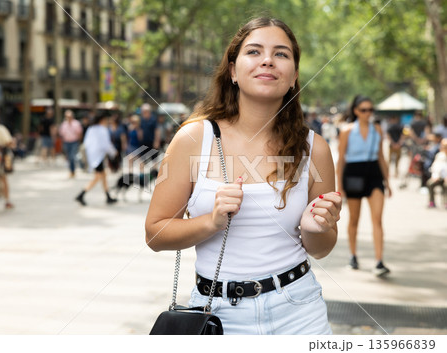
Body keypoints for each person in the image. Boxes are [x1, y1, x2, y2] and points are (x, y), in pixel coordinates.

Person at [145, 17, 342, 335]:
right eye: (254, 51)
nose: (268, 59)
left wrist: (316, 227)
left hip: (299, 311)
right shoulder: (194, 138)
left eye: (281, 54)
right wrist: (212, 221)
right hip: (217, 316)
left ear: (293, 77)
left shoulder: (314, 148)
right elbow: (154, 234)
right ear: (233, 71)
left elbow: (321, 248)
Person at [337, 95, 392, 277]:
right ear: (356, 111)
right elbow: (341, 159)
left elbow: (382, 157)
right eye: (363, 110)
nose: (367, 113)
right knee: (354, 219)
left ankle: (379, 261)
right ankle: (353, 255)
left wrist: (388, 182)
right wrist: (340, 186)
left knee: (377, 219)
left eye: (370, 110)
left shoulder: (377, 129)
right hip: (353, 173)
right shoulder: (346, 131)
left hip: (374, 174)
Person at [75, 112, 118, 206]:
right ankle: (81, 194)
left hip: (93, 157)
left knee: (103, 176)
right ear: (102, 120)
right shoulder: (102, 130)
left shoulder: (91, 129)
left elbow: (87, 143)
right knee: (98, 177)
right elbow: (105, 144)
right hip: (98, 157)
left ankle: (108, 196)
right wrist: (113, 152)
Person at [0, 111, 15, 209]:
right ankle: (7, 201)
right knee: (3, 178)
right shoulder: (0, 129)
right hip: (0, 157)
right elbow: (9, 142)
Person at [58, 110, 83, 178]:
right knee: (69, 157)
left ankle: (73, 170)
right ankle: (71, 171)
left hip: (74, 142)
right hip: (66, 142)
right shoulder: (64, 124)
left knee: (72, 156)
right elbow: (61, 134)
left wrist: (79, 142)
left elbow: (79, 133)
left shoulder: (76, 123)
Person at [427, 138, 447, 208]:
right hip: (439, 177)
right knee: (430, 183)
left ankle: (445, 202)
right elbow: (436, 167)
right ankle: (431, 201)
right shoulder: (439, 155)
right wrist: (435, 176)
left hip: (445, 178)